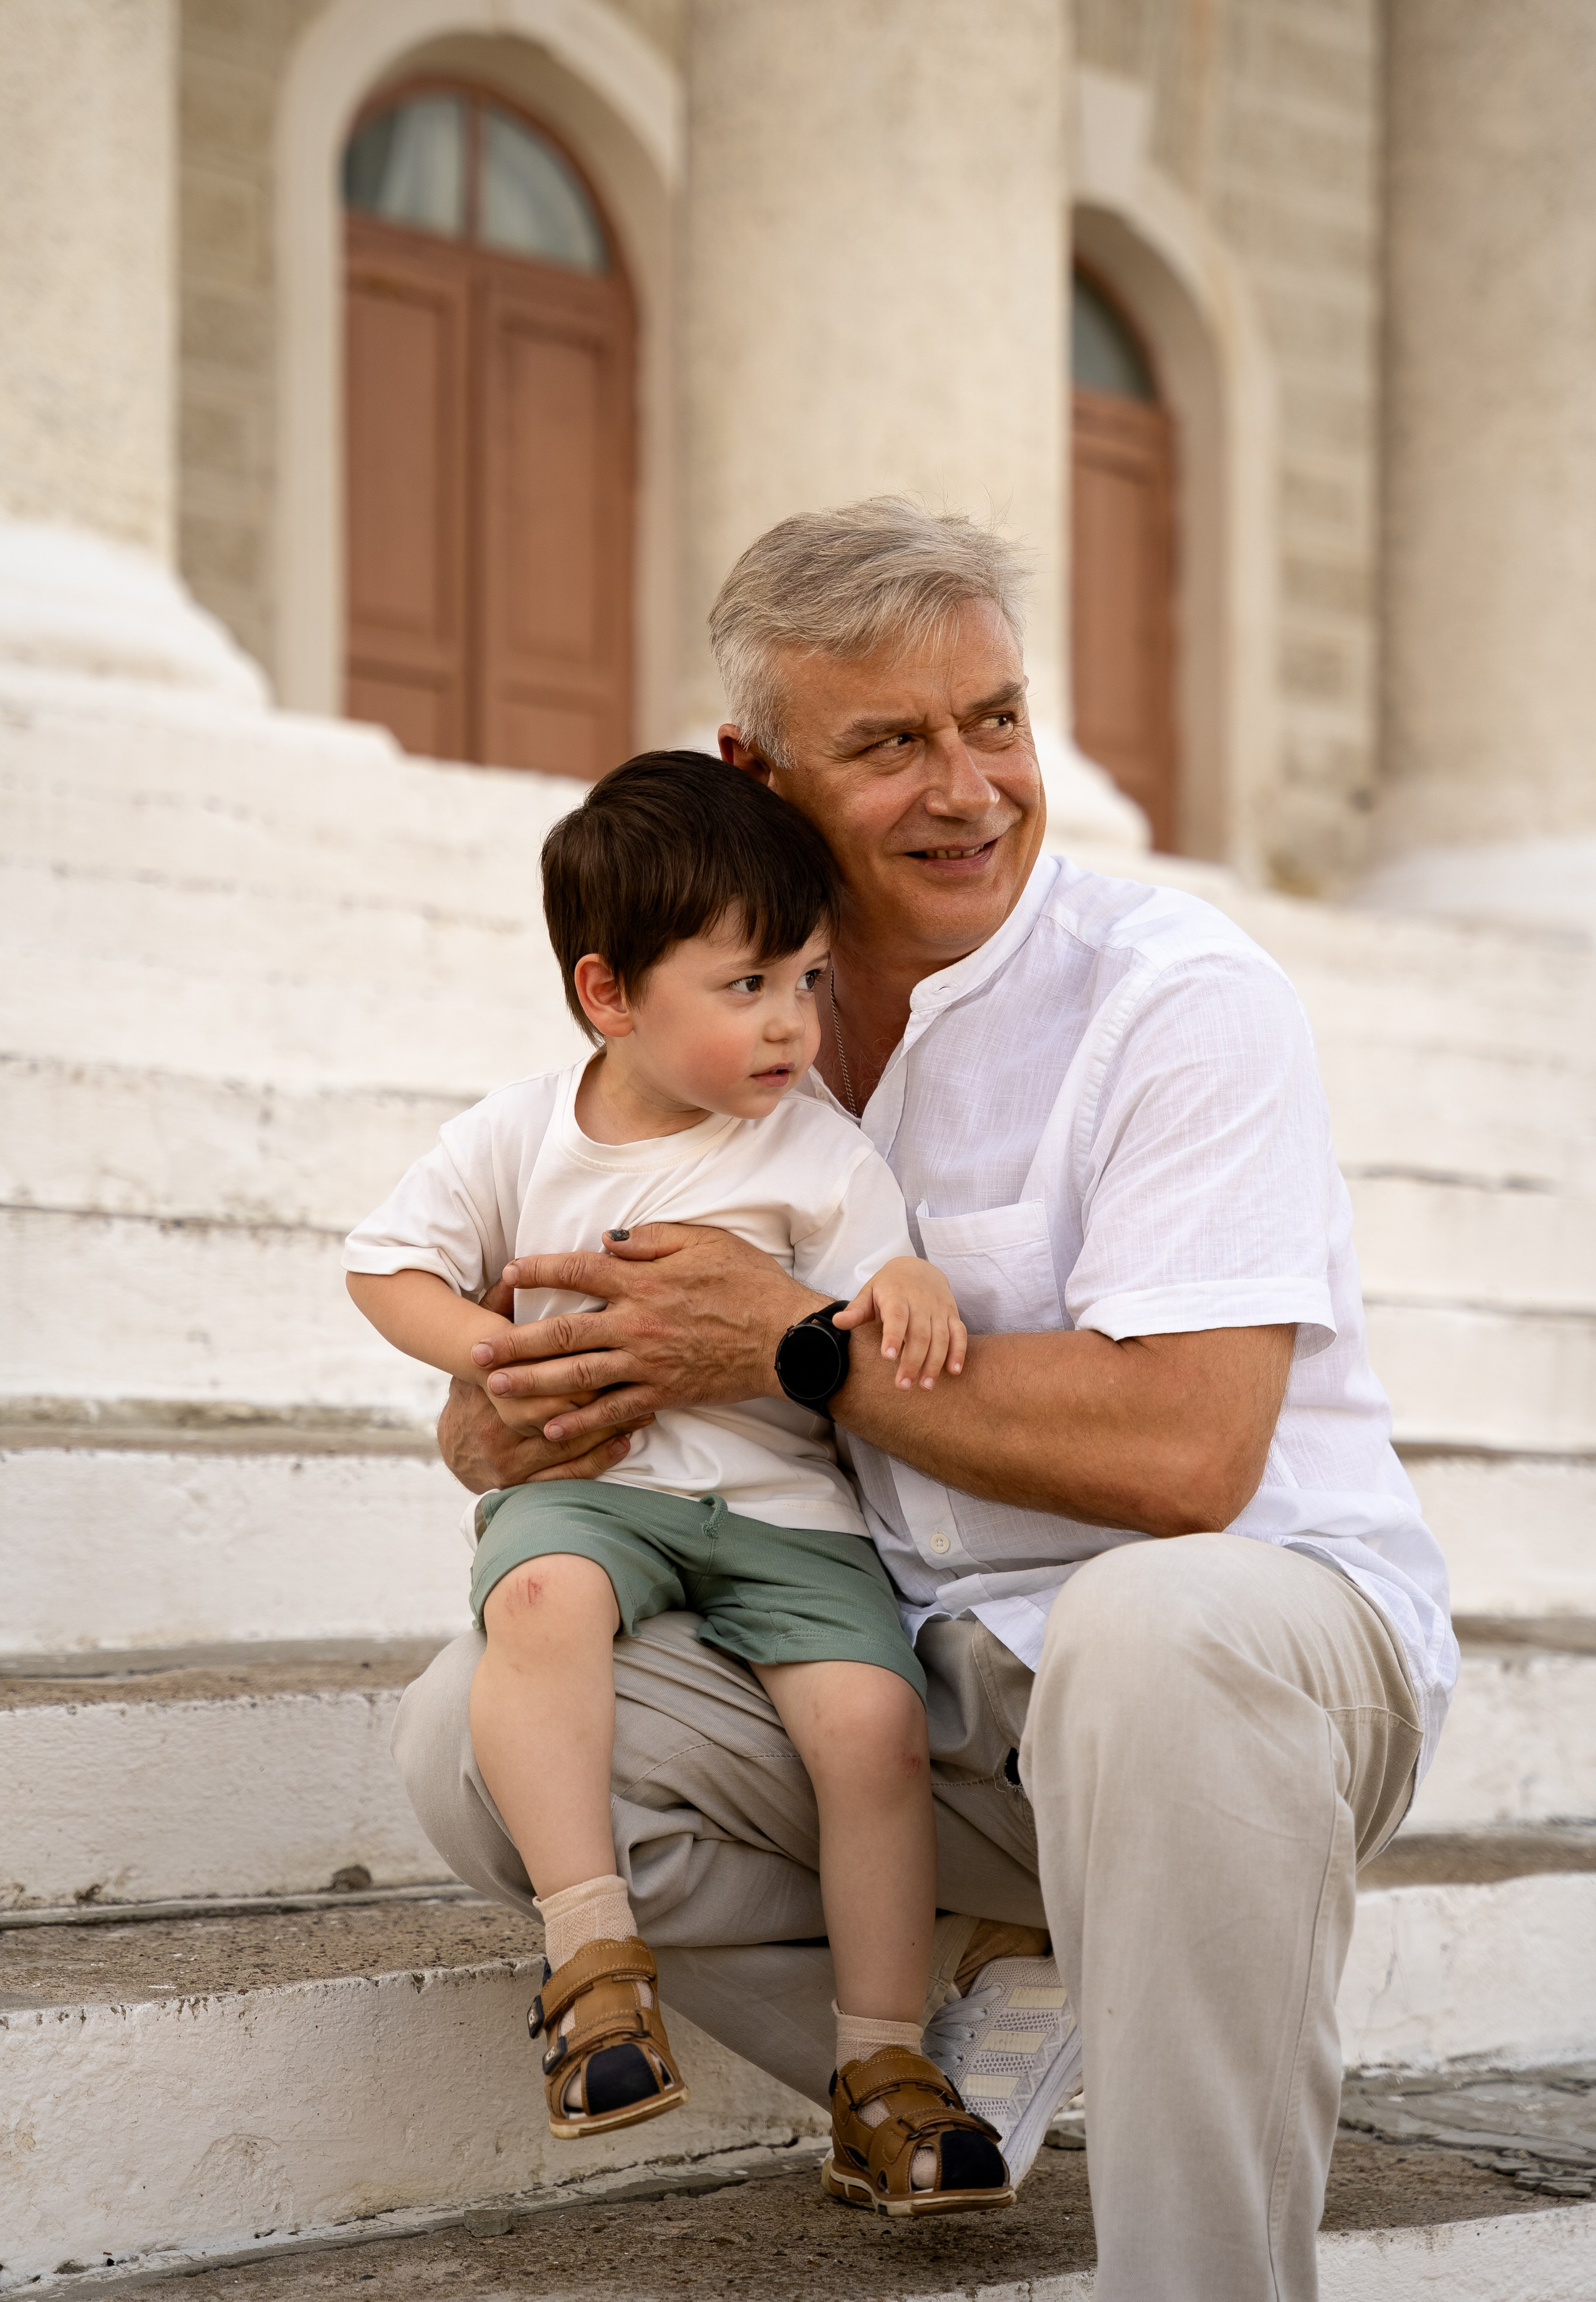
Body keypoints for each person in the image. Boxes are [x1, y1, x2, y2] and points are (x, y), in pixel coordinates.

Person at [393, 499, 1456, 2301]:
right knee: (473, 1739)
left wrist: (793, 1343)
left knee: (1147, 1631)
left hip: (1251, 1660)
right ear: (756, 772)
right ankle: (940, 2056)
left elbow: (1189, 1456)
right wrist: (503, 1414)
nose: (970, 790)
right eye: (891, 742)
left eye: (998, 721)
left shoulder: (1176, 999)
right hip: (913, 1682)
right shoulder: (710, 1041)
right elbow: (538, 1363)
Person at [346, 750, 1013, 2215]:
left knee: (873, 1729)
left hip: (785, 1515)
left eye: (807, 980)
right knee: (538, 1597)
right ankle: (592, 1955)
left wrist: (908, 1284)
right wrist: (491, 1356)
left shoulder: (814, 1149)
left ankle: (883, 2064)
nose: (789, 1023)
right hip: (599, 1488)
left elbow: (873, 1277)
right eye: (745, 986)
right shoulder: (519, 1134)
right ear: (609, 995)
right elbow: (386, 1265)